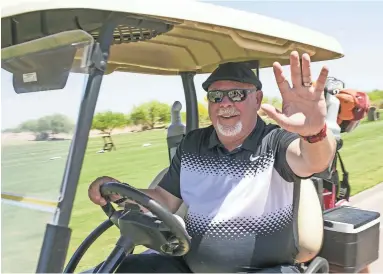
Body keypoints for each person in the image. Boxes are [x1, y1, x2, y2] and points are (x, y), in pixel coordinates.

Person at [88, 51, 337, 273]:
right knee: (120, 269)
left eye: (236, 94)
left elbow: (313, 160)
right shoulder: (193, 144)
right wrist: (118, 192)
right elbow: (164, 199)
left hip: (267, 270)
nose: (225, 103)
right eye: (216, 96)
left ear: (258, 99)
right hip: (189, 266)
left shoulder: (274, 141)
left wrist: (314, 133)